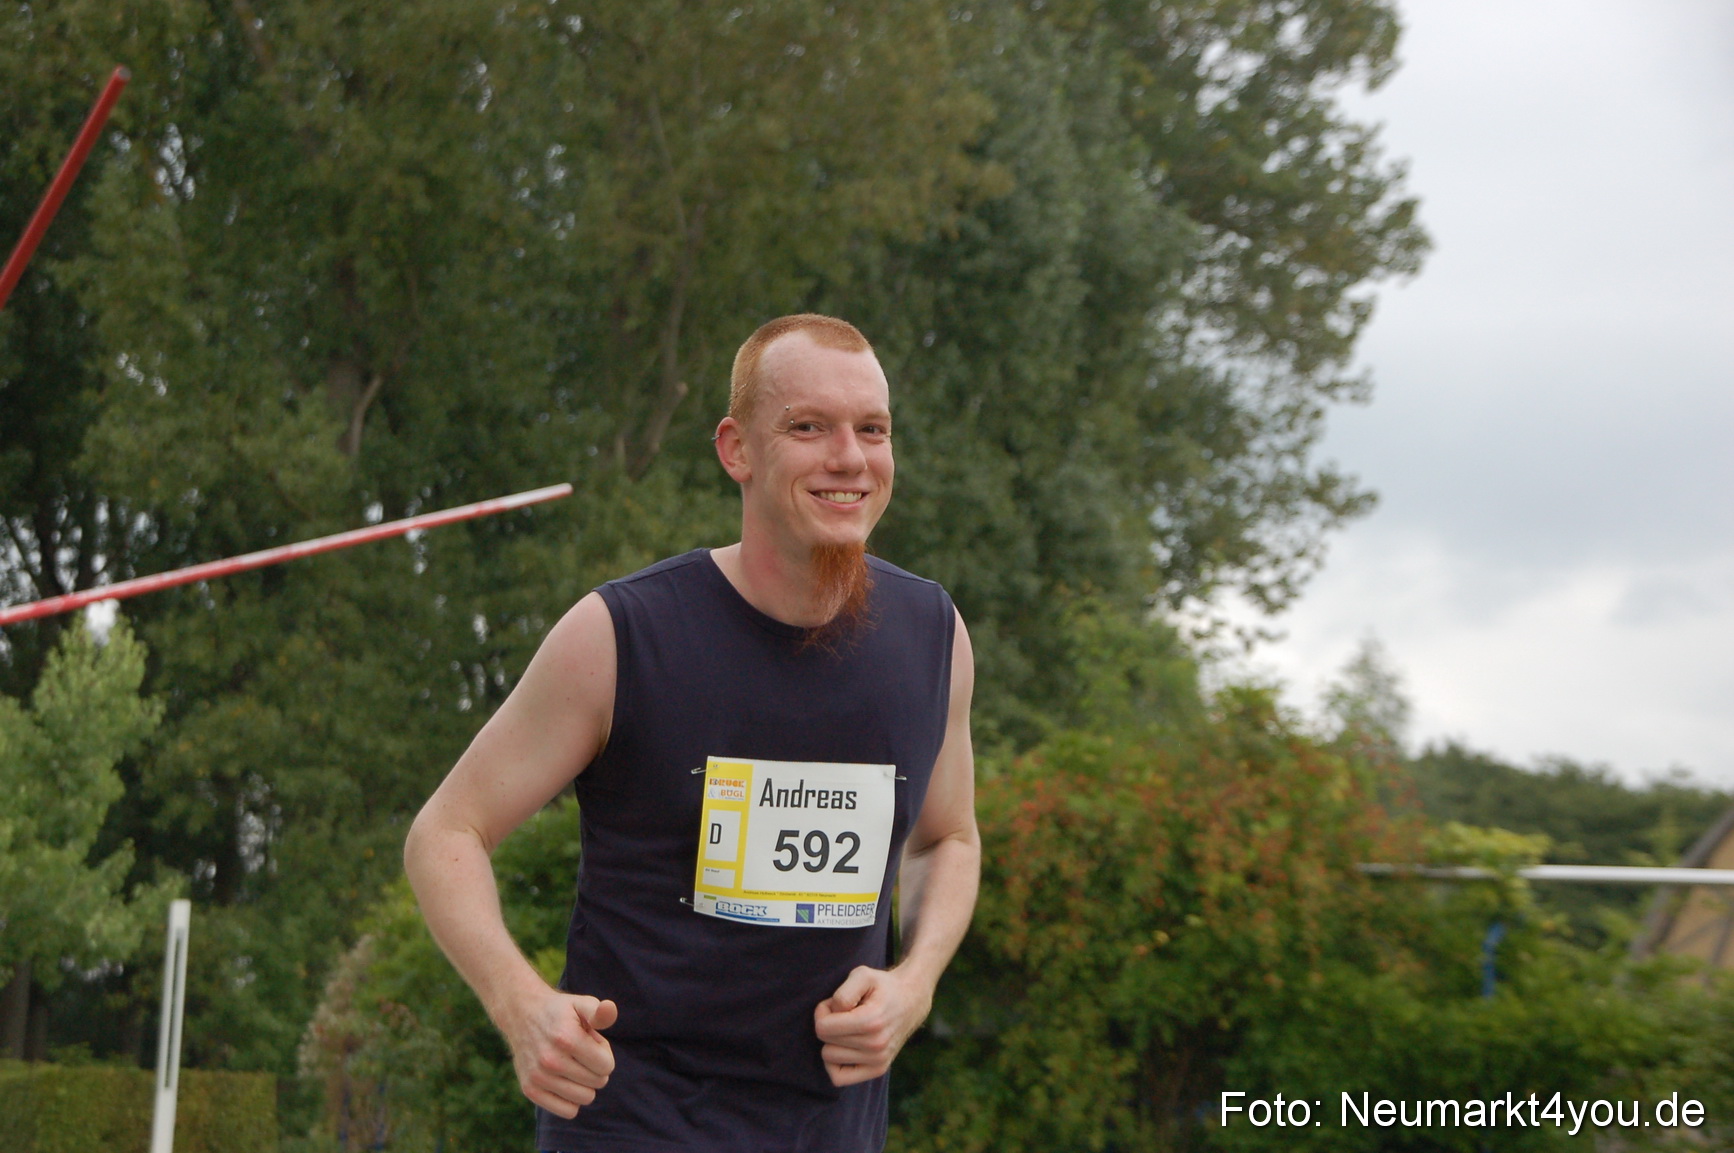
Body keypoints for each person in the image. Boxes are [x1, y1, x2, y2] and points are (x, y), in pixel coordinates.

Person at [404, 313, 980, 1153]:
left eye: (873, 429)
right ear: (736, 449)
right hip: (636, 1123)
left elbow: (946, 838)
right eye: (809, 427)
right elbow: (445, 832)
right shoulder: (620, 636)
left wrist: (915, 983)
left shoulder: (934, 635)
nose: (849, 457)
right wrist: (520, 1004)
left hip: (830, 1132)